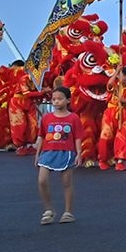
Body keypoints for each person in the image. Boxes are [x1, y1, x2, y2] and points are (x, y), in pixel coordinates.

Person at [35, 85, 80, 224]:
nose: (56, 102)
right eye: (54, 99)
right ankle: (49, 209)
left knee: (67, 183)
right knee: (42, 180)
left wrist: (79, 154)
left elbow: (78, 137)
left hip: (66, 153)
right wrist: (37, 154)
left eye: (60, 99)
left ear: (68, 100)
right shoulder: (46, 118)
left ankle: (68, 212)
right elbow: (41, 136)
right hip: (47, 153)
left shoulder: (73, 118)